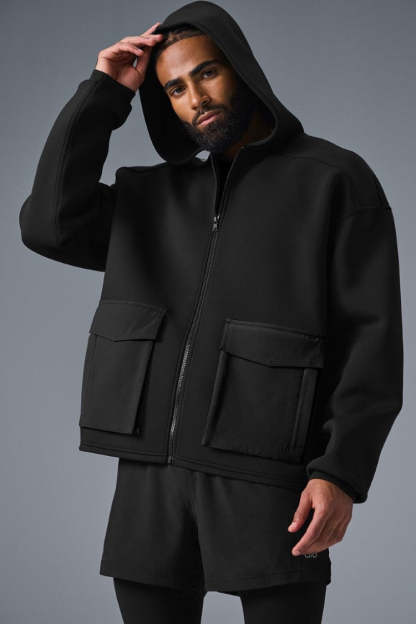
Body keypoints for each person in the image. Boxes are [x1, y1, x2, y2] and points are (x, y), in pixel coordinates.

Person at [19, 1, 403, 622]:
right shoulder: (150, 196)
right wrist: (103, 93)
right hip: (149, 484)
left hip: (270, 477)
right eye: (174, 88)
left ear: (240, 69)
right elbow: (48, 225)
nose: (195, 98)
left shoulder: (334, 180)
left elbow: (371, 339)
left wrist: (341, 472)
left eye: (206, 73)